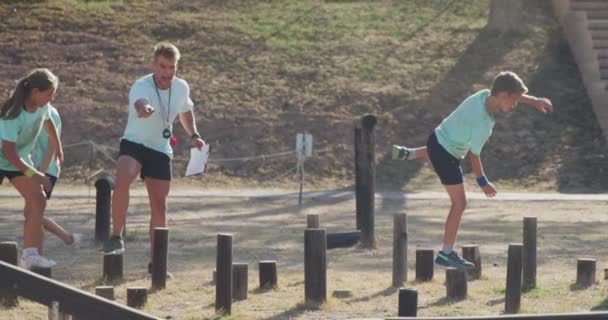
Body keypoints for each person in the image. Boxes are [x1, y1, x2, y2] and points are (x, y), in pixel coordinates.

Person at [392, 71, 553, 270]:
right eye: (514, 100)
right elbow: (474, 156)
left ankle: (411, 153)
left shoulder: (482, 94)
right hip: (447, 157)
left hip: (436, 139)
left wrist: (534, 100)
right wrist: (483, 181)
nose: (515, 104)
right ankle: (446, 253)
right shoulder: (483, 123)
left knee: (445, 146)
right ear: (503, 95)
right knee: (459, 204)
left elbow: (510, 91)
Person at [102, 42, 205, 275]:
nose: (167, 73)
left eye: (172, 68)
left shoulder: (181, 87)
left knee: (160, 205)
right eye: (162, 67)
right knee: (124, 175)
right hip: (135, 142)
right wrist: (144, 109)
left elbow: (185, 111)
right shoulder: (141, 85)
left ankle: (156, 263)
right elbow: (140, 102)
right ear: (153, 65)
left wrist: (194, 135)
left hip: (160, 147)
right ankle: (116, 235)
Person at [0, 68, 64, 269]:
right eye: (49, 94)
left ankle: (30, 255)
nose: (51, 99)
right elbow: (9, 153)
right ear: (35, 92)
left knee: (38, 199)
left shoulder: (42, 106)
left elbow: (49, 123)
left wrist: (59, 148)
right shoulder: (13, 114)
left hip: (17, 161)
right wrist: (34, 174)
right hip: (6, 158)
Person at [31, 105, 81, 248]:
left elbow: (53, 144)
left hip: (47, 170)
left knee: (33, 213)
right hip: (34, 169)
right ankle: (66, 238)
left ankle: (66, 238)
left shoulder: (50, 113)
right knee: (33, 213)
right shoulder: (28, 111)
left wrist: (42, 172)